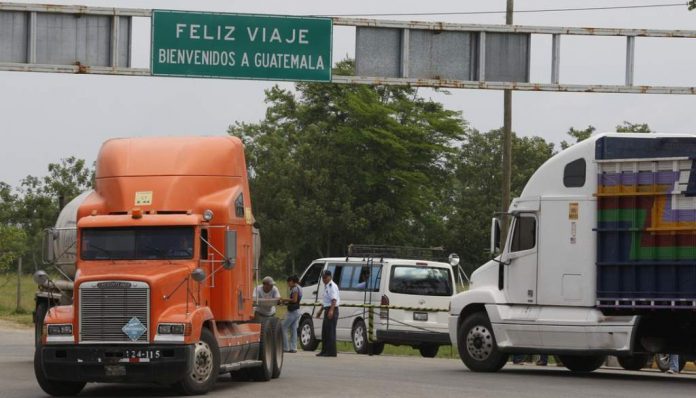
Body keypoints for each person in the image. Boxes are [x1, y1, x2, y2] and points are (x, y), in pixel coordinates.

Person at [315, 269, 340, 357]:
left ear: (330, 277)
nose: (323, 279)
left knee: (330, 332)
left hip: (332, 309)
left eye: (325, 277)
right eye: (322, 278)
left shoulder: (332, 286)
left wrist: (331, 311)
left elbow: (333, 300)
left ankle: (331, 352)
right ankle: (324, 350)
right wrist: (320, 311)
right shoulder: (326, 286)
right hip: (327, 309)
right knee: (325, 332)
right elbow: (326, 301)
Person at [281, 275, 302, 353]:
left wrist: (284, 299)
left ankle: (285, 347)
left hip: (293, 311)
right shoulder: (299, 287)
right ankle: (293, 347)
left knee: (283, 327)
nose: (288, 284)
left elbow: (294, 300)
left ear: (292, 281)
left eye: (289, 282)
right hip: (297, 311)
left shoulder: (295, 288)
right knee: (293, 329)